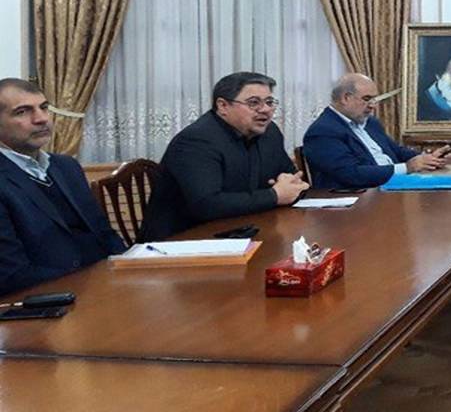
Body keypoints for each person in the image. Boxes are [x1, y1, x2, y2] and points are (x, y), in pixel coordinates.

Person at [142, 72, 309, 240]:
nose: (265, 109)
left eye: (269, 102)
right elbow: (207, 205)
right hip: (181, 242)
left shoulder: (269, 133)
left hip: (244, 229)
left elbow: (294, 181)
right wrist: (274, 195)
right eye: (253, 102)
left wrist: (289, 186)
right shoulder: (196, 141)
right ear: (223, 106)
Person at [0, 78, 127, 296]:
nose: (41, 119)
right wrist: (91, 283)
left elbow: (104, 234)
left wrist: (128, 268)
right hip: (49, 299)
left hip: (104, 286)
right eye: (22, 112)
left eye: (44, 108)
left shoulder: (66, 166)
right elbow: (12, 275)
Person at [303, 73, 450, 189]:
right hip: (360, 199)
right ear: (346, 98)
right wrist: (408, 167)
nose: (372, 105)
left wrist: (427, 159)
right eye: (367, 99)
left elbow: (396, 151)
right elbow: (351, 174)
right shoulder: (322, 132)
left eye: (374, 99)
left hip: (391, 187)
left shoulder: (370, 123)